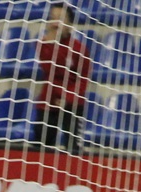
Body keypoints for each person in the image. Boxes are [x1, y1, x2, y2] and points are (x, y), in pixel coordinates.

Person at [34, 1, 91, 153]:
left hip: (72, 101)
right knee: (41, 144)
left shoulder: (79, 48)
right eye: (53, 18)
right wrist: (51, 42)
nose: (56, 23)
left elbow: (83, 78)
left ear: (70, 24)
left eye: (61, 19)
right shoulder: (43, 44)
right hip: (49, 99)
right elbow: (48, 69)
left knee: (73, 146)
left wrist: (68, 98)